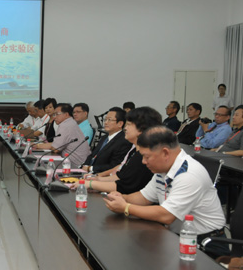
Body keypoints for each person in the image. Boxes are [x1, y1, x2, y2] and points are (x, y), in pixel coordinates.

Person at [103, 126, 229, 259]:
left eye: (146, 157)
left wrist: (126, 207)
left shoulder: (188, 175)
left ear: (165, 153)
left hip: (205, 243)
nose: (143, 162)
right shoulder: (164, 169)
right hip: (178, 235)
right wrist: (122, 197)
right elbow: (144, 198)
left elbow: (166, 216)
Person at [79, 106, 162, 194]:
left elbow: (124, 186)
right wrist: (98, 178)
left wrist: (91, 184)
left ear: (141, 129)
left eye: (129, 125)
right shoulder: (134, 151)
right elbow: (121, 175)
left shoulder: (144, 156)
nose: (125, 128)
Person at [81, 107, 132, 174]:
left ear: (120, 124)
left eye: (109, 120)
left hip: (102, 176)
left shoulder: (123, 141)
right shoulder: (104, 137)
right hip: (88, 173)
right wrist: (85, 165)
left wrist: (90, 168)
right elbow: (92, 155)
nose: (105, 122)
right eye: (105, 119)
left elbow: (115, 166)